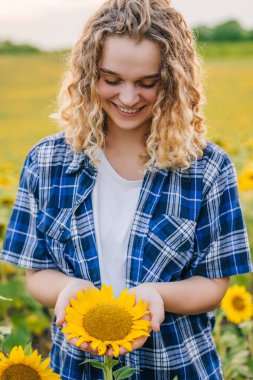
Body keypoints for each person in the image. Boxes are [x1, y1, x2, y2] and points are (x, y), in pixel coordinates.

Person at [1, 0, 252, 379]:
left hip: (176, 367)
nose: (129, 98)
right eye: (112, 80)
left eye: (147, 83)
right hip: (76, 367)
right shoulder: (47, 162)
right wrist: (70, 289)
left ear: (173, 81)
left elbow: (215, 282)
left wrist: (157, 295)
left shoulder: (207, 168)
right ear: (87, 75)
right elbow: (38, 273)